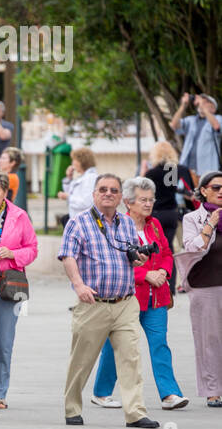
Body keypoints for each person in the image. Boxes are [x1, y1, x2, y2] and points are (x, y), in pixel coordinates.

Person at [57, 172, 158, 428]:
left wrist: (139, 259)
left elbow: (130, 256)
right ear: (94, 194)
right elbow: (68, 256)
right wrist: (79, 286)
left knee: (131, 358)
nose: (108, 194)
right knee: (82, 360)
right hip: (94, 303)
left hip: (125, 302)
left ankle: (135, 412)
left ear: (121, 197)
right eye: (103, 189)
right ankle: (72, 409)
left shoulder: (126, 223)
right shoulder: (78, 223)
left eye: (114, 190)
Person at [88, 177, 188, 410]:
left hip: (157, 297)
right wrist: (145, 275)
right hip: (128, 296)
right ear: (128, 202)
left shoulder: (155, 225)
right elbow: (112, 262)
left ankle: (170, 394)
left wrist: (163, 270)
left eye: (151, 199)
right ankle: (101, 392)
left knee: (159, 344)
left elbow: (165, 251)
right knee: (117, 345)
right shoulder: (117, 226)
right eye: (143, 200)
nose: (148, 204)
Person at [0, 170, 38, 409]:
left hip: (10, 285)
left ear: (5, 192)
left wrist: (13, 254)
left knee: (4, 341)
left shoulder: (19, 216)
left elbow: (32, 248)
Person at [178, 171, 222, 407]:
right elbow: (192, 249)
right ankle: (213, 391)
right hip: (206, 285)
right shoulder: (193, 219)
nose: (221, 191)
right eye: (216, 187)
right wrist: (210, 225)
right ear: (203, 190)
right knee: (209, 340)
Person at [142, 141, 185, 250]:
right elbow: (172, 189)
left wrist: (143, 172)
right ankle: (171, 267)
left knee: (157, 248)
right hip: (171, 213)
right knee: (168, 247)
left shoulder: (151, 173)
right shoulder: (174, 171)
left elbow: (140, 188)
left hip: (156, 213)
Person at [171, 92, 221, 178]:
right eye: (201, 101)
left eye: (206, 102)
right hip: (187, 168)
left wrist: (204, 109)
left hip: (207, 170)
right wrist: (183, 106)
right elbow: (174, 125)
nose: (202, 104)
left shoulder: (218, 118)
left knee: (204, 191)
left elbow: (216, 126)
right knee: (186, 191)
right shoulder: (191, 120)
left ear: (213, 108)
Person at [57, 146, 99, 225]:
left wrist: (68, 197)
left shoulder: (90, 178)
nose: (72, 163)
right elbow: (72, 193)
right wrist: (69, 178)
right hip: (78, 221)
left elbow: (87, 202)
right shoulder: (83, 177)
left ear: (81, 161)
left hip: (85, 222)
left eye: (74, 160)